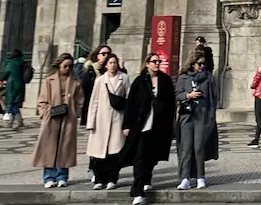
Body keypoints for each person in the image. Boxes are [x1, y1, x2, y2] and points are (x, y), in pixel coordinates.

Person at [124, 51, 175, 204]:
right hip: (141, 125)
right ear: (147, 64)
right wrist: (127, 125)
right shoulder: (139, 81)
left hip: (159, 125)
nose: (157, 64)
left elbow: (171, 103)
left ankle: (146, 178)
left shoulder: (165, 80)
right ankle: (138, 190)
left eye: (158, 61)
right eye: (154, 61)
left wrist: (170, 122)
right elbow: (131, 105)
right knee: (139, 156)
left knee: (152, 156)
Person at [33, 54, 83, 188]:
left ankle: (62, 176)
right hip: (52, 117)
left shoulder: (75, 81)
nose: (67, 69)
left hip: (68, 118)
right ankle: (49, 177)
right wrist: (45, 113)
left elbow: (80, 101)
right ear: (59, 65)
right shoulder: (49, 80)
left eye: (70, 66)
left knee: (65, 148)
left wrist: (76, 113)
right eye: (65, 66)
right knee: (49, 148)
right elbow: (42, 100)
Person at [175, 52, 219, 190]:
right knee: (186, 148)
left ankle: (200, 177)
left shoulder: (209, 78)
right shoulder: (184, 77)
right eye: (199, 64)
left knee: (199, 147)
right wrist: (188, 95)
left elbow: (214, 98)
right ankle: (185, 178)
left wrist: (211, 117)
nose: (202, 66)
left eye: (203, 64)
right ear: (192, 64)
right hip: (187, 117)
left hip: (202, 116)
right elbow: (177, 94)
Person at [87, 52, 130, 189]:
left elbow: (129, 100)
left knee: (115, 152)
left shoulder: (124, 78)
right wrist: (91, 122)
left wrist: (128, 122)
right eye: (110, 63)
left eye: (115, 63)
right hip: (101, 119)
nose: (113, 65)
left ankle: (112, 178)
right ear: (106, 65)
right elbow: (94, 101)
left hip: (118, 119)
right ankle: (99, 179)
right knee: (99, 153)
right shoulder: (100, 80)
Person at [80, 45, 111, 128]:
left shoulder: (112, 71)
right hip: (94, 106)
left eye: (108, 53)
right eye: (103, 54)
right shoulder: (91, 70)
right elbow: (85, 91)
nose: (106, 56)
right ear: (97, 56)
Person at [1, 49, 28, 130]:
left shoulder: (10, 62)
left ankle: (20, 122)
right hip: (20, 84)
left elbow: (6, 73)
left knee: (12, 103)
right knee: (14, 102)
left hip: (12, 84)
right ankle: (10, 123)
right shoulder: (23, 62)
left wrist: (2, 79)